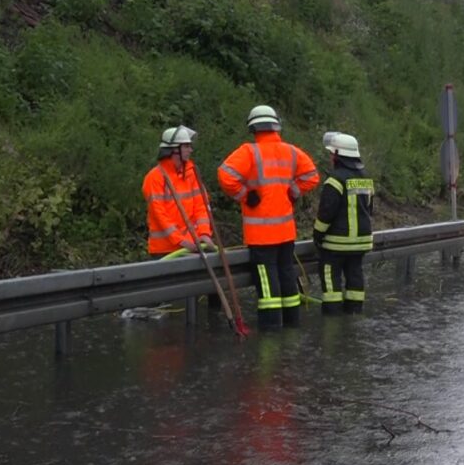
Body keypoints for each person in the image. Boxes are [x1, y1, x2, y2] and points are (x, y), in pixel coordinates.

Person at [219, 105, 320, 329]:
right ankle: (292, 325)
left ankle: (271, 332)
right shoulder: (291, 151)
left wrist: (245, 195)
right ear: (276, 126)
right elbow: (312, 176)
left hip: (261, 235)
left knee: (267, 282)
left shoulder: (249, 152)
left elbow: (225, 174)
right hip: (285, 232)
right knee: (287, 274)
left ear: (253, 128)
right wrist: (293, 191)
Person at [313, 132, 375, 315]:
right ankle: (353, 317)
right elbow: (369, 209)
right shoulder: (365, 178)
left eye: (332, 153)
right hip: (361, 242)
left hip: (336, 244)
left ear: (338, 155)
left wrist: (317, 235)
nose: (330, 157)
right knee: (355, 278)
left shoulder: (335, 180)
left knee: (331, 282)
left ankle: (333, 322)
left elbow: (326, 214)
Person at [142, 125, 213, 256]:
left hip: (193, 246)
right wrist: (180, 240)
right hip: (165, 250)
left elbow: (201, 206)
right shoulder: (155, 177)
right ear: (174, 149)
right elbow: (159, 215)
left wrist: (204, 233)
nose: (190, 150)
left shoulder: (191, 174)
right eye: (186, 146)